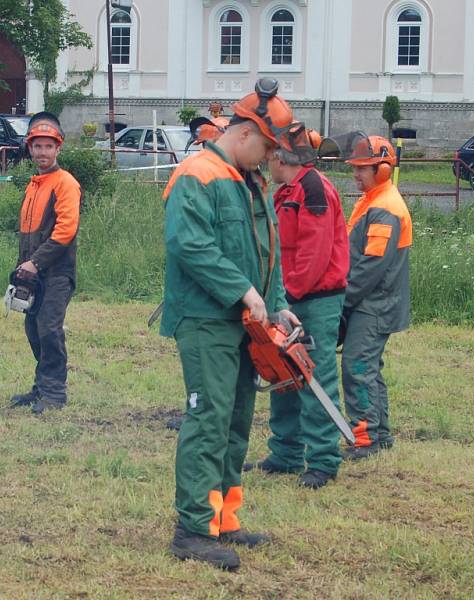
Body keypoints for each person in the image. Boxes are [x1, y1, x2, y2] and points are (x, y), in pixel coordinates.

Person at [161, 79, 299, 570]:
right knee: (209, 418)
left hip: (247, 322)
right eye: (266, 146)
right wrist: (243, 291)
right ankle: (193, 529)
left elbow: (267, 249)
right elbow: (189, 244)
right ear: (243, 132)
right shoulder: (196, 174)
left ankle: (224, 518)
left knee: (237, 418)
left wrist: (277, 302)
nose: (267, 157)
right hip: (205, 319)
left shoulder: (249, 181)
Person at [246, 123, 349, 488]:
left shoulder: (313, 189)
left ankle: (323, 459)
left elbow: (314, 255)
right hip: (290, 297)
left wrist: (285, 297)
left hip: (314, 300)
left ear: (279, 157)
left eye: (268, 155)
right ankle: (287, 453)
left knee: (315, 377)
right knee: (282, 374)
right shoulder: (284, 191)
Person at [340, 135, 412, 459]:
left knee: (357, 366)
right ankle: (380, 434)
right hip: (374, 302)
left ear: (382, 170)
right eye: (355, 169)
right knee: (369, 367)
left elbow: (371, 266)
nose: (356, 175)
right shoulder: (373, 197)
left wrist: (345, 300)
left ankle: (365, 438)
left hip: (374, 304)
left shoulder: (384, 207)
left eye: (363, 169)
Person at [9, 112, 82, 415]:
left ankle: (54, 394)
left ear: (58, 149)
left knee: (49, 329)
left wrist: (35, 263)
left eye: (47, 147)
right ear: (30, 149)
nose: (42, 152)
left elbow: (65, 230)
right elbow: (26, 232)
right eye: (37, 146)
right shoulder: (34, 184)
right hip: (33, 272)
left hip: (56, 272)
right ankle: (41, 387)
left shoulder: (65, 183)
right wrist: (21, 270)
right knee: (34, 329)